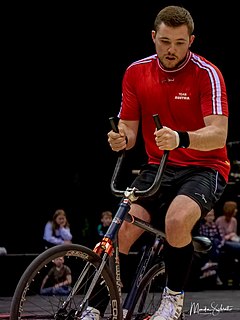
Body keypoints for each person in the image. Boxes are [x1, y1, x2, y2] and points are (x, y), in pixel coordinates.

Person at [104, 5, 230, 320]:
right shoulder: (135, 71)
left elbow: (218, 133)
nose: (171, 50)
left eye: (179, 43)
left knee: (175, 221)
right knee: (119, 230)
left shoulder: (207, 73)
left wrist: (181, 139)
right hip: (158, 166)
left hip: (206, 167)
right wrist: (120, 138)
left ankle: (172, 303)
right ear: (153, 37)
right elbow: (129, 130)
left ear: (191, 41)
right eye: (164, 42)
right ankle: (95, 306)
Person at [198, 209, 224, 284]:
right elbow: (201, 237)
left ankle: (209, 266)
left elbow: (222, 238)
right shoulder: (202, 226)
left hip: (216, 247)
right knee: (210, 241)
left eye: (211, 216)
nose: (210, 218)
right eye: (208, 216)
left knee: (215, 241)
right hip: (207, 246)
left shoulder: (216, 226)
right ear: (205, 217)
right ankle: (211, 268)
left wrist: (219, 245)